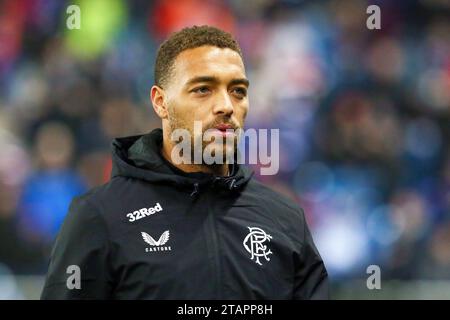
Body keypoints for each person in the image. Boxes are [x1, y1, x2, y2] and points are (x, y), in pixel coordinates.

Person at [41, 25, 328, 299]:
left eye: (238, 90)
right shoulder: (98, 217)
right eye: (203, 89)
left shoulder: (286, 220)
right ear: (160, 102)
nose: (227, 106)